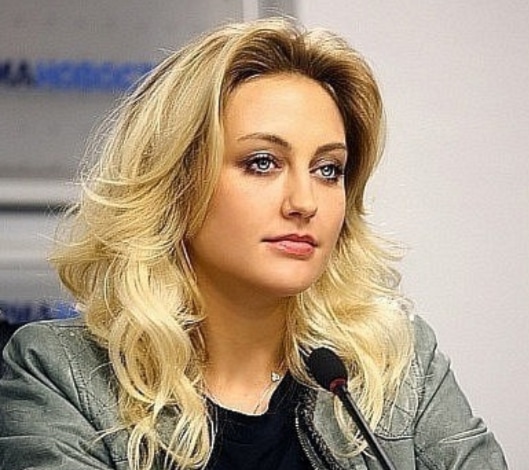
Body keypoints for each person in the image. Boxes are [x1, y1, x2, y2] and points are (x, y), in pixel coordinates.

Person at [0, 18, 507, 470]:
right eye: (262, 162)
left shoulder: (399, 362)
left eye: (328, 169)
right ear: (176, 183)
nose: (304, 202)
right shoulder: (59, 372)